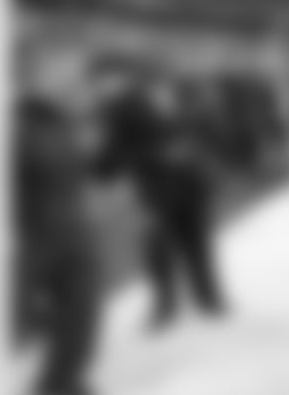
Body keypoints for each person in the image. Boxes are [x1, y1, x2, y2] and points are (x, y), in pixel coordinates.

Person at [93, 66, 227, 331]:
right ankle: (209, 300)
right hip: (191, 178)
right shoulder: (176, 94)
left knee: (160, 246)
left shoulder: (122, 106)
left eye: (102, 82)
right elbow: (203, 131)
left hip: (161, 185)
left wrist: (98, 171)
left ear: (114, 78)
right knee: (195, 241)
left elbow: (116, 148)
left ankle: (166, 307)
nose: (101, 89)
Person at [14, 62, 104, 395]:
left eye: (73, 76)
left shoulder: (68, 123)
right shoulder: (15, 123)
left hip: (75, 228)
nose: (73, 82)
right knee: (11, 316)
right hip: (31, 232)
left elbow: (89, 171)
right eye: (61, 74)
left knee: (82, 309)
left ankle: (61, 382)